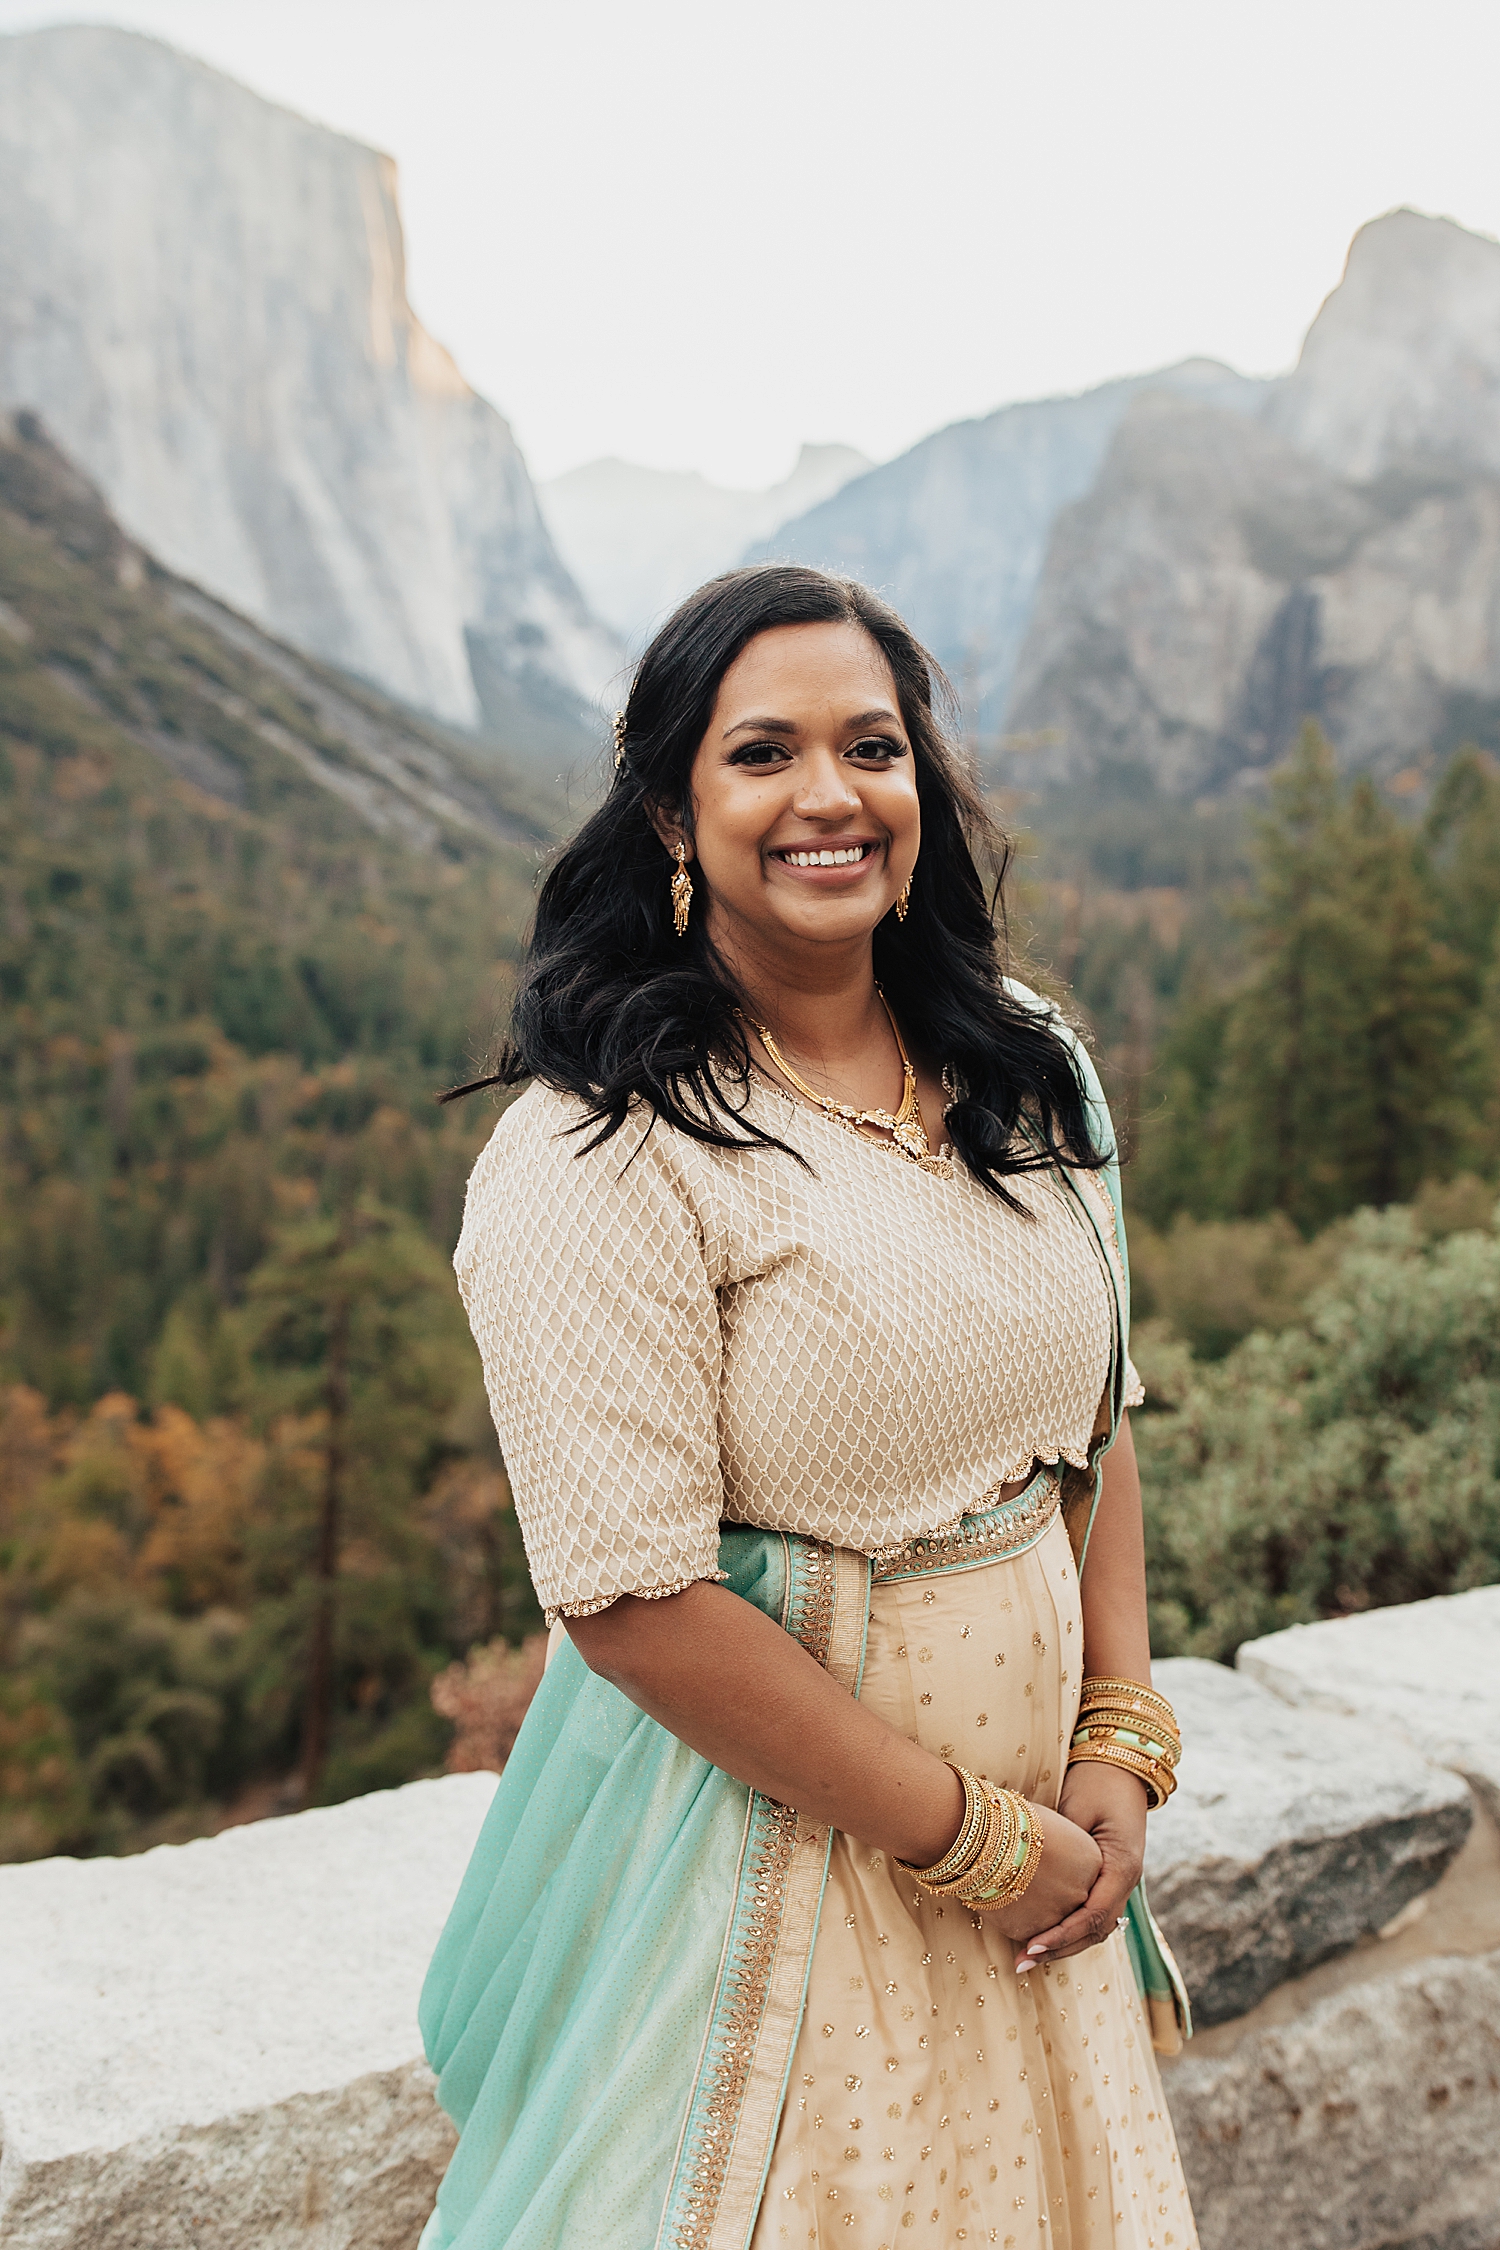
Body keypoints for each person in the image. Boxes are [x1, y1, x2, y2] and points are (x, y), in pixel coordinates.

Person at [419, 565, 1195, 2250]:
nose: (831, 796)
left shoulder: (1027, 1067)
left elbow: (1094, 1421)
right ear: (670, 807)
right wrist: (969, 1838)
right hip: (777, 1870)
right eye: (763, 752)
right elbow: (629, 1598)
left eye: (873, 746)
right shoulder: (601, 1152)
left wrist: (1119, 1740)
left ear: (923, 786)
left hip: (1045, 1882)